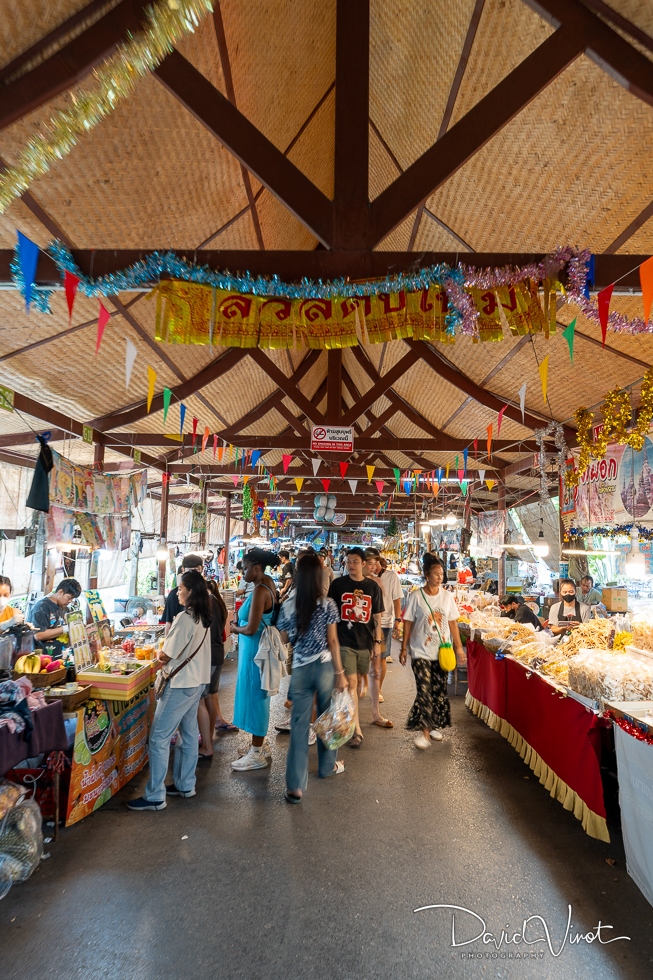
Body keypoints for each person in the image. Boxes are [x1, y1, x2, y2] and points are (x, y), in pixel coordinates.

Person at [128, 570, 212, 810]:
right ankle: (186, 784)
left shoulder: (185, 618)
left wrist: (156, 653)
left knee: (158, 738)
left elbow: (165, 655)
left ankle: (155, 796)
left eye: (181, 588)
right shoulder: (204, 616)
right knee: (188, 734)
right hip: (196, 683)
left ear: (191, 591)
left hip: (181, 684)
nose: (178, 592)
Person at [277, 551, 347, 803]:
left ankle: (295, 786)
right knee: (329, 717)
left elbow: (283, 638)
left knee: (298, 726)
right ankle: (328, 766)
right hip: (325, 667)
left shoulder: (287, 604)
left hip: (301, 669)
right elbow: (333, 641)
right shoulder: (328, 604)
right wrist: (340, 673)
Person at [399, 553, 464, 750]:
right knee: (424, 690)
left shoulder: (447, 597)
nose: (440, 577)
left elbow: (453, 624)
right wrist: (403, 648)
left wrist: (459, 647)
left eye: (441, 574)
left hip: (441, 652)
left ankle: (433, 724)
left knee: (439, 690)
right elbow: (408, 623)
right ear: (427, 575)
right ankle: (424, 733)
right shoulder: (416, 596)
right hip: (420, 652)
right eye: (435, 574)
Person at [327, 547, 385, 748]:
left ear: (363, 564)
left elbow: (376, 615)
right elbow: (330, 614)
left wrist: (377, 642)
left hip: (366, 642)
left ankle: (346, 722)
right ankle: (355, 729)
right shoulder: (337, 584)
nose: (351, 565)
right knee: (351, 684)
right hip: (344, 641)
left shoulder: (373, 587)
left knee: (357, 684)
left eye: (355, 562)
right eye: (348, 561)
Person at [229, 549, 280, 770]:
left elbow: (250, 628)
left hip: (255, 652)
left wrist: (233, 627)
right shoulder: (268, 583)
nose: (242, 572)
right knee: (256, 695)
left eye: (245, 566)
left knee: (257, 697)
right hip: (256, 650)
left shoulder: (260, 590)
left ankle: (257, 753)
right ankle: (259, 745)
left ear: (256, 567)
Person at [197, 580, 237, 758]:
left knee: (201, 699)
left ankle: (206, 742)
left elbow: (208, 634)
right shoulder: (218, 602)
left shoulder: (210, 604)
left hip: (209, 656)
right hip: (217, 654)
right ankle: (208, 739)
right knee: (211, 695)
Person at [364, 548, 402, 703]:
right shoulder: (362, 577)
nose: (371, 564)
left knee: (381, 658)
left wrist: (398, 621)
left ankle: (378, 690)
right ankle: (365, 684)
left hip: (385, 622)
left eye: (374, 560)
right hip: (364, 622)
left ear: (379, 560)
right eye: (368, 561)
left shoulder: (391, 576)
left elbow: (397, 599)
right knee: (364, 656)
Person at [30, 578, 81, 657]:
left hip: (63, 658)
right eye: (69, 597)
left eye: (73, 599)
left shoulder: (66, 608)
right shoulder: (42, 607)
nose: (70, 601)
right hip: (45, 660)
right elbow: (38, 635)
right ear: (60, 592)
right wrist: (65, 628)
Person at [161, 553, 204, 633]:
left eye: (196, 570)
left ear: (202, 569)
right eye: (189, 571)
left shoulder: (206, 593)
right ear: (183, 570)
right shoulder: (174, 594)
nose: (193, 574)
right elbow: (169, 623)